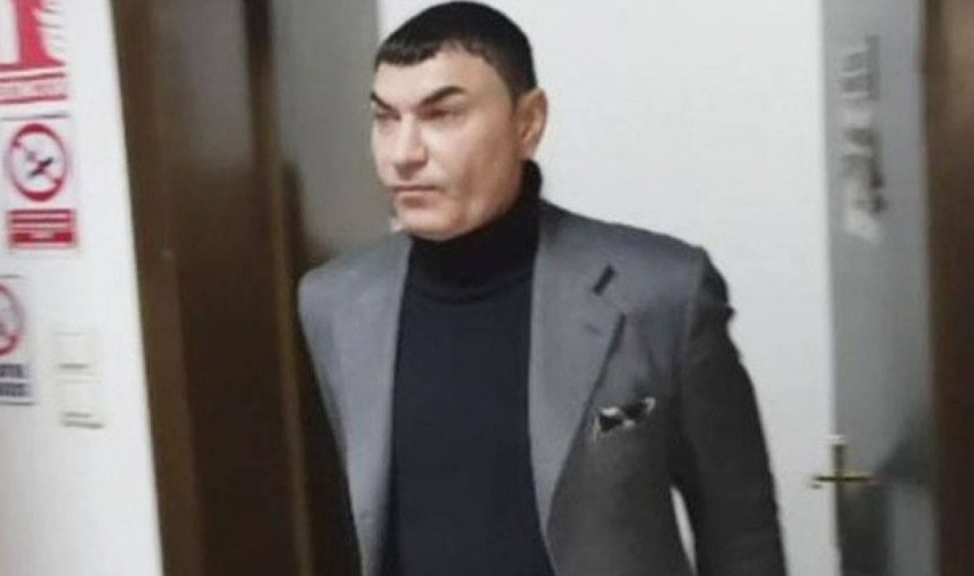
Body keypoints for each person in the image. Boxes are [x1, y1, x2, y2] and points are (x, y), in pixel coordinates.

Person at [297, 3, 786, 575]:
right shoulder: (334, 303)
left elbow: (741, 531)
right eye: (385, 118)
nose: (402, 153)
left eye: (442, 115)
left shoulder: (661, 292)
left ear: (528, 123)